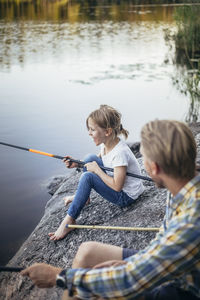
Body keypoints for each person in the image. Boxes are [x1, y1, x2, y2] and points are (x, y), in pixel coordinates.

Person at [21, 119, 200, 300]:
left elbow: (132, 279)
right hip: (168, 263)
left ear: (154, 168)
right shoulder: (182, 181)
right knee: (87, 251)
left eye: (144, 159)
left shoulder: (191, 220)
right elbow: (162, 244)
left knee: (97, 291)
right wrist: (130, 263)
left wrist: (57, 277)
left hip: (183, 289)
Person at [48, 104, 144, 240]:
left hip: (126, 196)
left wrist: (97, 171)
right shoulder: (108, 143)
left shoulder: (120, 153)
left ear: (107, 131)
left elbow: (117, 186)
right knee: (89, 158)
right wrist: (77, 163)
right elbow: (96, 160)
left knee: (88, 177)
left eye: (92, 129)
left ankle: (69, 220)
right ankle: (83, 197)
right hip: (118, 186)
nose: (89, 133)